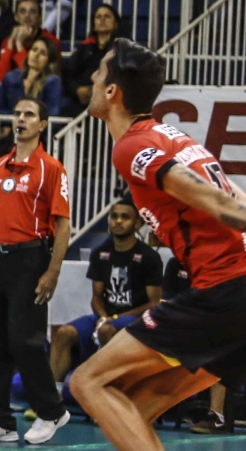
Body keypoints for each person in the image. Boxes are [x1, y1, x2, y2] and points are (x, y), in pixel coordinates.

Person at [72, 40, 246, 451]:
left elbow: (218, 202)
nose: (92, 80)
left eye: (98, 74)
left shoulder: (131, 145)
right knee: (134, 405)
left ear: (112, 91)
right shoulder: (173, 136)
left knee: (87, 382)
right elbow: (233, 195)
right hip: (235, 290)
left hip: (224, 290)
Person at [0, 97, 73, 444]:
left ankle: (52, 412)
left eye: (29, 114)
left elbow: (64, 224)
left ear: (42, 125)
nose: (20, 119)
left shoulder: (51, 168)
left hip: (32, 259)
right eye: (17, 113)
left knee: (24, 340)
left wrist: (52, 271)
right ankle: (0, 422)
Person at [49, 200, 162, 383]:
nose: (118, 221)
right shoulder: (100, 253)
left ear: (136, 223)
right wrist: (102, 316)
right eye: (114, 216)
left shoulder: (149, 257)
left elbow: (154, 303)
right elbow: (96, 297)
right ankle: (54, 397)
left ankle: (107, 390)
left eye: (125, 217)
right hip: (106, 317)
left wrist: (115, 318)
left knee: (107, 330)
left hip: (135, 318)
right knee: (64, 333)